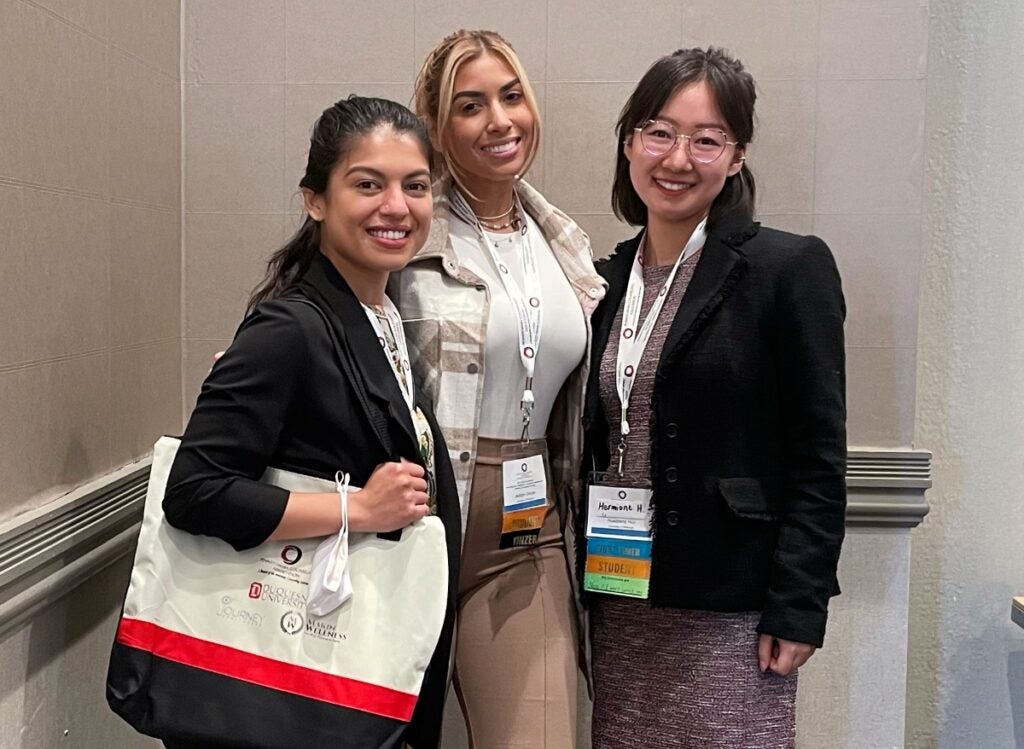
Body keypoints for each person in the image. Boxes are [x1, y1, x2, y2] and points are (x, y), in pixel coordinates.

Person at [161, 96, 460, 749]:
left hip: (348, 668)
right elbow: (194, 490)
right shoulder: (289, 329)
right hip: (296, 687)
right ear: (315, 200)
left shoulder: (380, 316)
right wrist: (356, 506)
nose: (396, 205)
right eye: (367, 183)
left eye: (414, 186)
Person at [581, 48, 847, 748]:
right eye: (659, 132)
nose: (678, 157)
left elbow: (818, 452)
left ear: (735, 158)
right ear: (630, 143)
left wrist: (799, 604)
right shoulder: (601, 281)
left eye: (707, 139)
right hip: (620, 593)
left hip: (733, 602)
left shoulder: (786, 268)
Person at [388, 29, 605, 749]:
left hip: (528, 533)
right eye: (471, 105)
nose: (500, 120)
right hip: (408, 528)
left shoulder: (562, 241)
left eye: (511, 96)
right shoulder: (403, 230)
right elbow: (315, 318)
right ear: (438, 128)